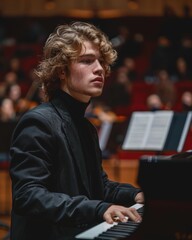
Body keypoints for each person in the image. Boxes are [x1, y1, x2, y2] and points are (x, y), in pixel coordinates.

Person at [9, 21, 144, 240]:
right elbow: (28, 195)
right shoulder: (39, 122)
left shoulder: (86, 127)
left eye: (101, 61)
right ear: (61, 71)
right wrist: (98, 209)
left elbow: (99, 186)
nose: (99, 68)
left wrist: (136, 194)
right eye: (87, 61)